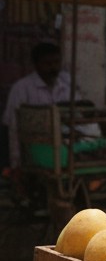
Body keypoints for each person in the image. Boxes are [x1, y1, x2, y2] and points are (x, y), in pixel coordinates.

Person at [3, 42, 100, 170]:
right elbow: (13, 127)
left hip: (65, 149)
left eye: (56, 62)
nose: (53, 67)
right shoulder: (21, 88)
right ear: (36, 65)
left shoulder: (66, 85)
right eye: (47, 64)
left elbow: (80, 115)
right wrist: (16, 164)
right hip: (36, 153)